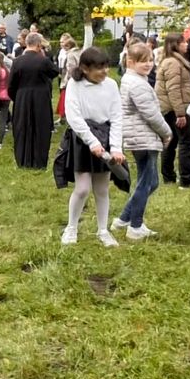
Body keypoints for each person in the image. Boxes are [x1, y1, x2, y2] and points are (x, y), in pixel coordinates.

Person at [62, 47, 124, 247]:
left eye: (106, 66)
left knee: (102, 188)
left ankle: (103, 231)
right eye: (99, 67)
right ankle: (71, 228)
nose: (105, 71)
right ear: (85, 68)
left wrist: (115, 147)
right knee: (81, 189)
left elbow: (116, 117)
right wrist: (92, 142)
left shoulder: (112, 85)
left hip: (105, 137)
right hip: (83, 139)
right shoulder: (74, 84)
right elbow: (73, 116)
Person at [111, 43, 172, 240]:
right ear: (130, 62)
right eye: (143, 61)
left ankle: (123, 219)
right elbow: (151, 114)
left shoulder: (135, 80)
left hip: (141, 136)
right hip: (143, 138)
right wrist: (166, 132)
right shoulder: (137, 84)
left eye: (150, 60)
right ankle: (135, 226)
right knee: (146, 182)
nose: (148, 64)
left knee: (151, 181)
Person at [8, 33, 58, 168]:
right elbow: (54, 72)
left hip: (22, 96)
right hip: (40, 96)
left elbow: (11, 84)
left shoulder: (17, 61)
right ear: (38, 45)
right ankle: (39, 161)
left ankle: (23, 160)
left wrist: (16, 98)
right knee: (41, 128)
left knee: (22, 128)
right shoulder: (43, 60)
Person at [156, 32, 190, 188]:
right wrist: (180, 113)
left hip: (170, 106)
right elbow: (173, 89)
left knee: (171, 141)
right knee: (185, 143)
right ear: (175, 45)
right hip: (176, 107)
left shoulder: (171, 61)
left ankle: (169, 178)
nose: (187, 45)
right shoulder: (173, 63)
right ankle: (186, 179)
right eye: (184, 42)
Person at [55, 34, 80, 126]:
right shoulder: (77, 52)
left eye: (63, 43)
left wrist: (66, 82)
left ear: (68, 46)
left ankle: (66, 118)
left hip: (70, 81)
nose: (61, 45)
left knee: (67, 100)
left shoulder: (70, 55)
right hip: (77, 79)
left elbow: (71, 69)